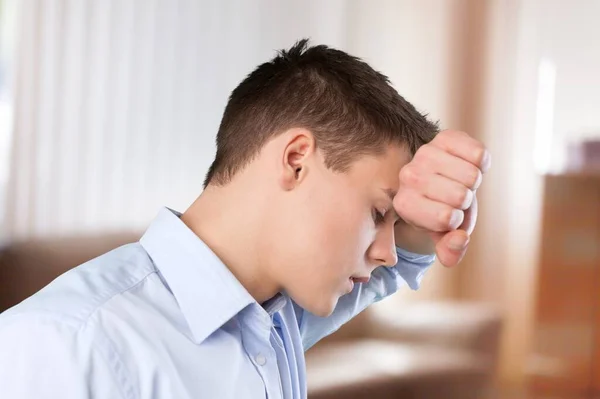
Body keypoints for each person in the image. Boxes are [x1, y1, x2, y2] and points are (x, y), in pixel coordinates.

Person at [0, 39, 490, 398]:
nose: (385, 250)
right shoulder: (63, 344)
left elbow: (401, 262)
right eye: (379, 212)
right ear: (297, 160)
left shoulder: (271, 319)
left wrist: (431, 213)